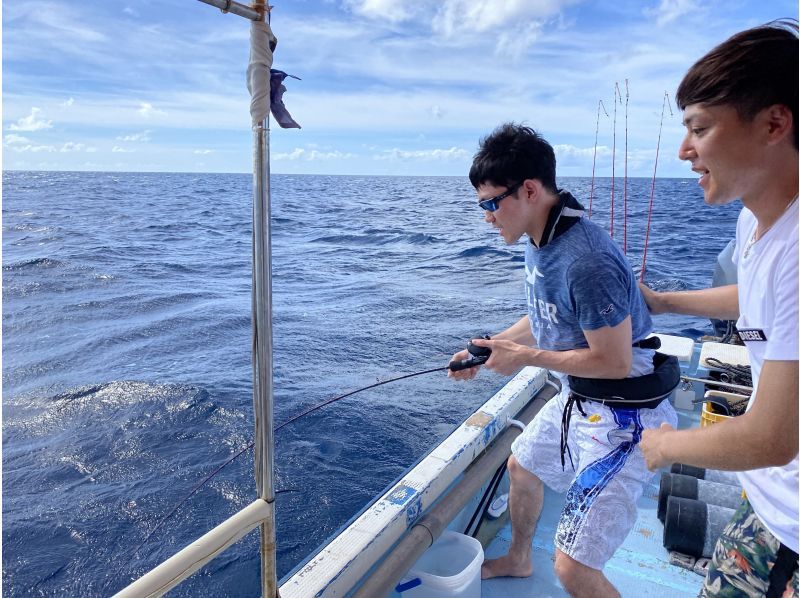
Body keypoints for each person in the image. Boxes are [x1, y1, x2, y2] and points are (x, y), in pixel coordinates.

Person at [448, 123, 678, 598]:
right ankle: (518, 559)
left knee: (573, 571)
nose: (487, 218)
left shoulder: (584, 260)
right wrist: (490, 346)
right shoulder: (541, 242)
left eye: (491, 204)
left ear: (529, 190)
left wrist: (525, 359)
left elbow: (613, 362)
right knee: (522, 467)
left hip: (624, 415)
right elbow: (544, 317)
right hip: (577, 396)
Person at [638, 19, 799, 598]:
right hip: (767, 504)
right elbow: (756, 297)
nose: (685, 150)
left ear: (774, 123)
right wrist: (663, 302)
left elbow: (773, 438)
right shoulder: (756, 219)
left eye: (699, 128)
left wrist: (665, 445)